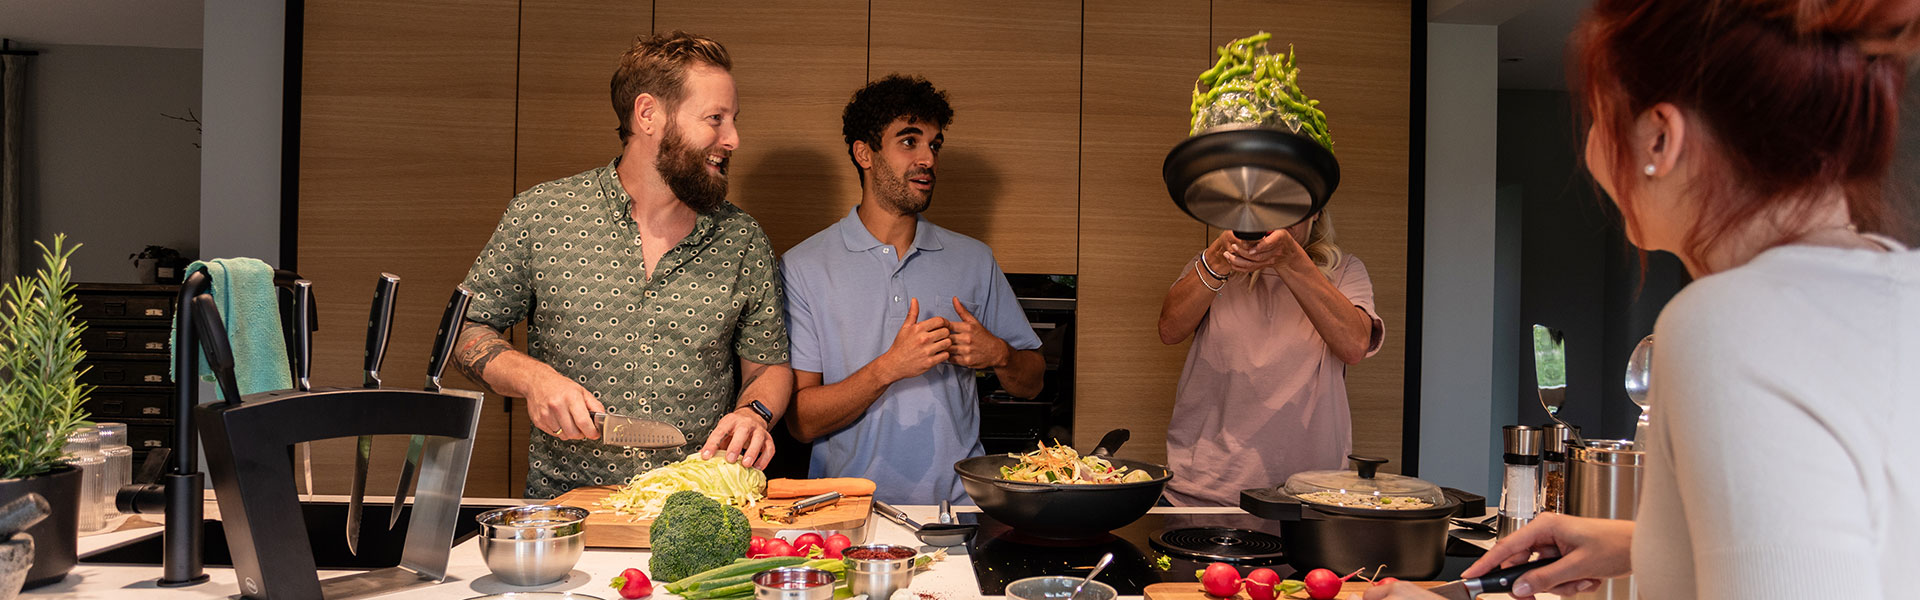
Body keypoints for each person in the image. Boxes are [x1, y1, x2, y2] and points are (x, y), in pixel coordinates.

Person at [1367, 1, 1920, 598]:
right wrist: (1642, 542)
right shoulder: (1900, 287)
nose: (1590, 154)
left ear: (1660, 136)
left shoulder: (1726, 326)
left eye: (1598, 120)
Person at [452, 31, 793, 499]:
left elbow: (769, 367)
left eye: (733, 120)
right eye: (715, 118)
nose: (733, 138)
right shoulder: (542, 215)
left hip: (698, 511)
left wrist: (755, 414)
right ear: (648, 114)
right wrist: (534, 378)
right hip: (566, 510)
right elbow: (466, 329)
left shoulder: (742, 239)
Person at [781, 74, 1045, 505]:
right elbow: (801, 422)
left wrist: (999, 354)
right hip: (844, 516)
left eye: (934, 145)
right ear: (864, 154)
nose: (928, 159)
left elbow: (1032, 381)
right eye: (909, 142)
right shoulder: (804, 266)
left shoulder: (974, 258)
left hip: (956, 514)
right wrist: (890, 367)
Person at [1156, 211, 1385, 507]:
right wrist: (1218, 257)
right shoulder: (1217, 263)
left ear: (1315, 210)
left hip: (1310, 495)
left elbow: (1354, 346)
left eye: (1290, 205)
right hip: (1202, 491)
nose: (1277, 217)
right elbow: (1169, 330)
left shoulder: (1343, 271)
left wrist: (1290, 259)